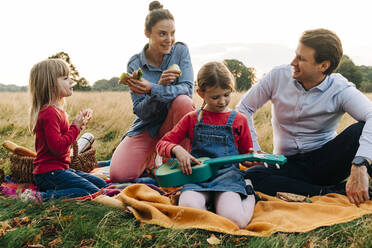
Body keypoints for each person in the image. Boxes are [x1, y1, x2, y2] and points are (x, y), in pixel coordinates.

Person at [236, 28, 372, 206]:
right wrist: (252, 148)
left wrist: (360, 164)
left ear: (323, 66)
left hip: (326, 162)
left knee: (360, 130)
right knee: (251, 177)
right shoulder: (278, 76)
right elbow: (244, 108)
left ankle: (340, 183)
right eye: (295, 55)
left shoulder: (340, 88)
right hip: (286, 163)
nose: (293, 62)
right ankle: (329, 192)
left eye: (301, 59)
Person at [156, 61, 256, 228]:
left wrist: (252, 159)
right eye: (215, 97)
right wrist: (177, 149)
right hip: (197, 179)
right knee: (187, 213)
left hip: (227, 178)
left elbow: (246, 156)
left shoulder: (239, 120)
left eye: (226, 94)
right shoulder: (192, 118)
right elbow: (162, 144)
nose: (222, 101)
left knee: (235, 221)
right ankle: (211, 205)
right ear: (200, 93)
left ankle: (249, 192)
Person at [110, 1, 195, 182]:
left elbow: (188, 90)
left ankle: (179, 164)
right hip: (148, 126)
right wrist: (156, 90)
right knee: (119, 175)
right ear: (147, 33)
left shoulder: (180, 51)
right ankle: (152, 159)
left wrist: (153, 88)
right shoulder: (135, 64)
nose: (169, 39)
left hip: (176, 125)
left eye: (172, 33)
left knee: (183, 102)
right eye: (162, 34)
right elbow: (140, 111)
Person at [24, 58, 106, 202]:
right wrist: (75, 127)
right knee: (93, 191)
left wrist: (78, 125)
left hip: (61, 169)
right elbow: (58, 148)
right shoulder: (49, 113)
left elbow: (63, 138)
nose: (71, 81)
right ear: (51, 84)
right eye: (65, 78)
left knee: (101, 184)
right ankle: (41, 197)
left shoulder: (57, 110)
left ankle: (50, 191)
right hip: (49, 173)